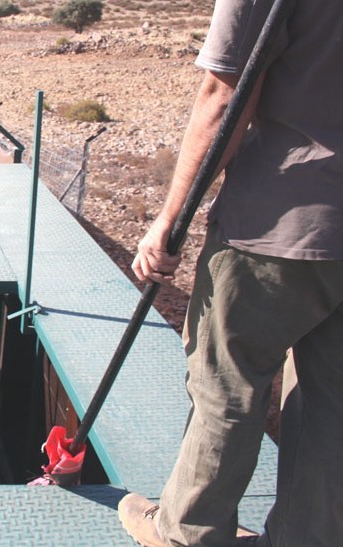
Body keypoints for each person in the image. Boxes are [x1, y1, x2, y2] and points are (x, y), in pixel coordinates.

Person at [117, 0, 343, 545]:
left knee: (226, 383)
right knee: (331, 405)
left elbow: (224, 98)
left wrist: (168, 221)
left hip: (279, 224)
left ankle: (187, 533)